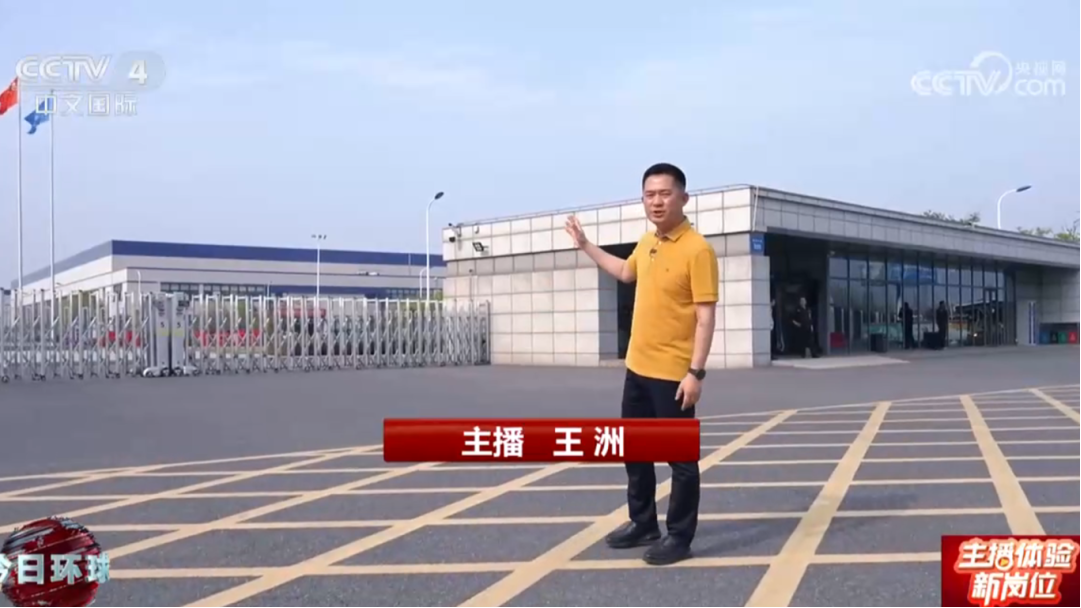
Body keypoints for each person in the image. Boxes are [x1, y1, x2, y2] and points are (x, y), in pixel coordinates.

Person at [564, 162, 718, 566]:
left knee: (681, 461)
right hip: (637, 369)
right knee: (635, 450)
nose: (656, 202)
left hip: (673, 374)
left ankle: (679, 536)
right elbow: (623, 271)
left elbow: (705, 317)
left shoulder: (698, 250)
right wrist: (585, 244)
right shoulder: (648, 241)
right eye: (650, 195)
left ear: (683, 198)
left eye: (665, 194)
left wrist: (695, 373)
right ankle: (643, 522)